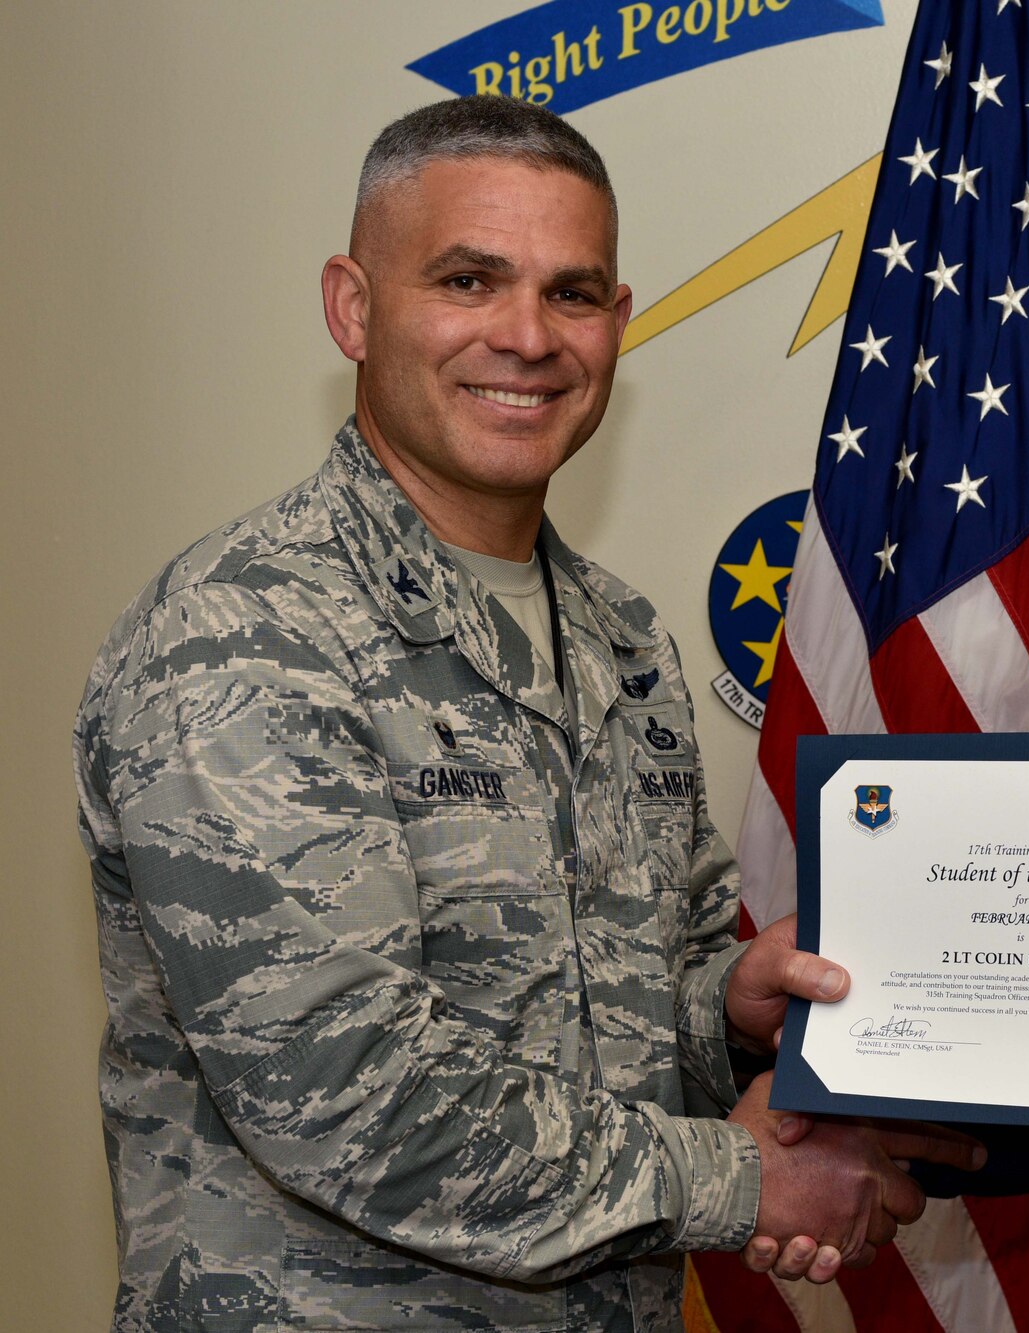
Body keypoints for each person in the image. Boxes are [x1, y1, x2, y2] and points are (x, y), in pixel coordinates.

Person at [74, 96, 977, 1332]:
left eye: (571, 292)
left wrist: (722, 1011)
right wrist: (748, 1175)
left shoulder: (622, 637)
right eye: (467, 278)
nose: (525, 336)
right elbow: (344, 1091)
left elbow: (603, 995)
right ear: (352, 305)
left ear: (616, 323)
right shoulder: (245, 635)